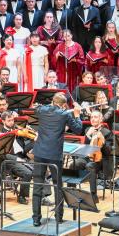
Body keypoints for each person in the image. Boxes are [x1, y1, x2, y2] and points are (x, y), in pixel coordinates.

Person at [31, 93, 83, 225]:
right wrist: (77, 115)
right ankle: (59, 217)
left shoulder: (42, 110)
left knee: (37, 185)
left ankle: (36, 219)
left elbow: (37, 108)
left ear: (53, 102)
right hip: (54, 154)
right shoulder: (65, 114)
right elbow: (78, 129)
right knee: (57, 186)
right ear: (63, 105)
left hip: (40, 153)